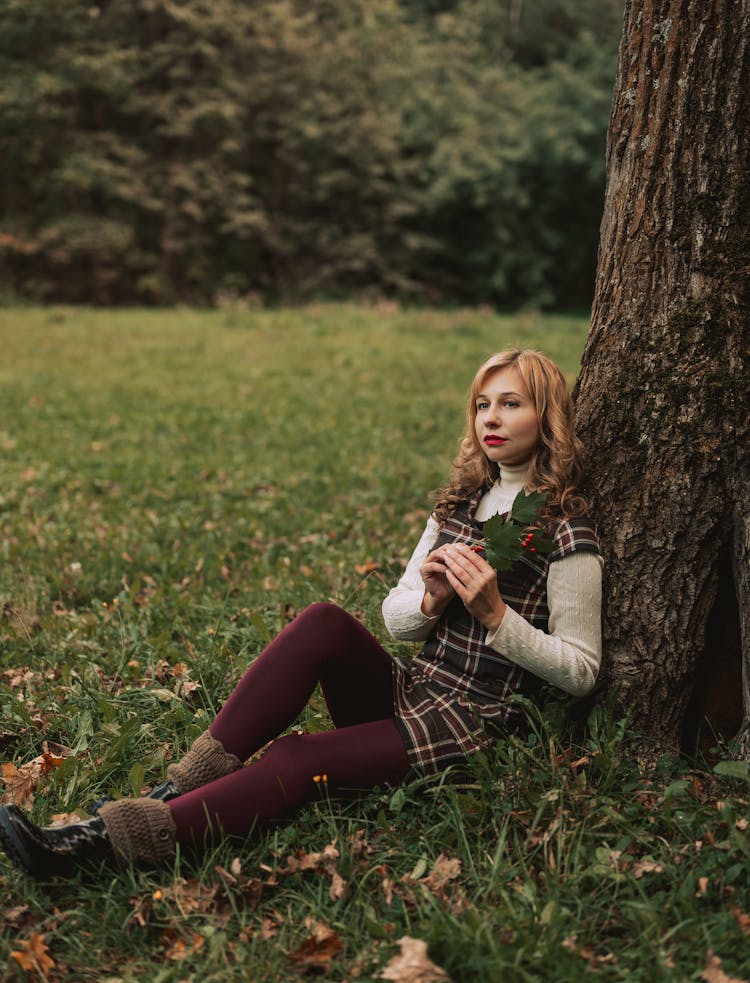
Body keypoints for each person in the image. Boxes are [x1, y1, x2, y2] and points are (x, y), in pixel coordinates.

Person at [0, 349, 602, 879]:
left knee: (297, 757)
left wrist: (498, 617)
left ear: (545, 417)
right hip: (416, 689)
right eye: (481, 404)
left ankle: (101, 845)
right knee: (321, 621)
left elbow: (581, 671)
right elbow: (396, 621)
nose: (491, 419)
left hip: (473, 724)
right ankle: (181, 784)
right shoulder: (458, 507)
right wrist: (431, 602)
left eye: (511, 404)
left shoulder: (565, 531)